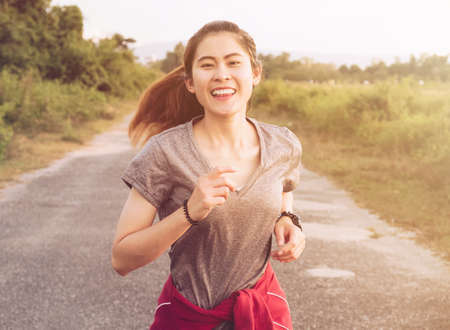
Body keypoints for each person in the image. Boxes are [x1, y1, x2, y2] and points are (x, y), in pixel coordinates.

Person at [112, 20, 306, 330]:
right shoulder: (164, 152)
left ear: (255, 74)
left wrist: (287, 219)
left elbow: (284, 188)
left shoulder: (282, 144)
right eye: (207, 65)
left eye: (233, 62)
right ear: (190, 82)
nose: (221, 74)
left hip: (261, 313)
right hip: (190, 317)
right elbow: (121, 259)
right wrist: (189, 212)